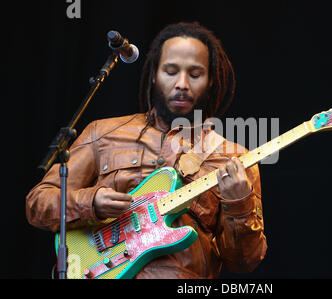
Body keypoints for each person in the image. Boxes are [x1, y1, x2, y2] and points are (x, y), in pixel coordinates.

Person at [26, 22, 267, 279]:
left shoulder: (234, 158)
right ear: (154, 73)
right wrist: (91, 203)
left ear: (210, 81)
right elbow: (38, 203)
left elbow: (245, 262)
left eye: (195, 74)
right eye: (171, 71)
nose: (182, 84)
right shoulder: (102, 132)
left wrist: (240, 204)